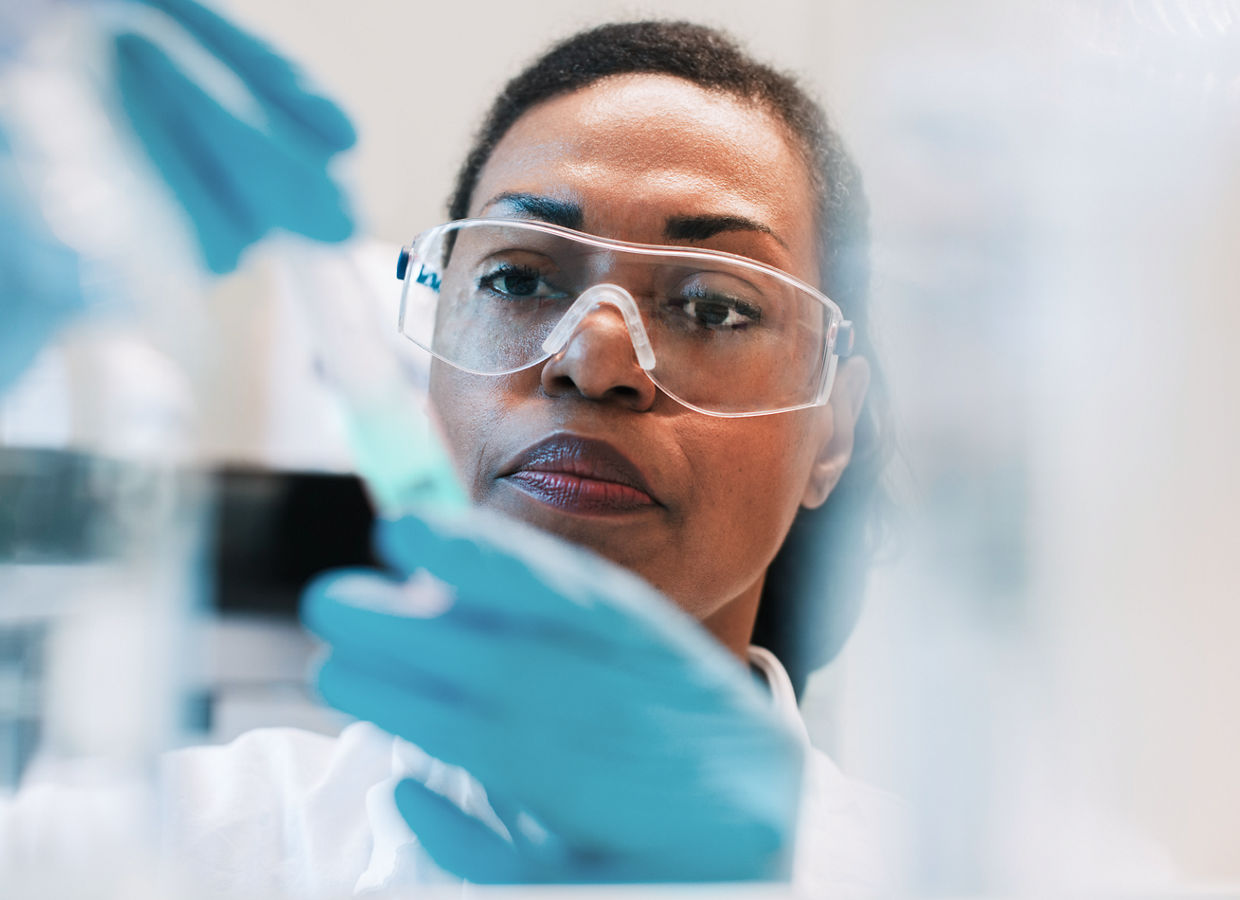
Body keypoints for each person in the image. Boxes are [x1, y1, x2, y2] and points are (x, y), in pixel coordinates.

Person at [3, 18, 902, 897]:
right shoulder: (180, 849)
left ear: (833, 432)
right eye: (517, 278)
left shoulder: (964, 869)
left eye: (712, 306)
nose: (592, 362)